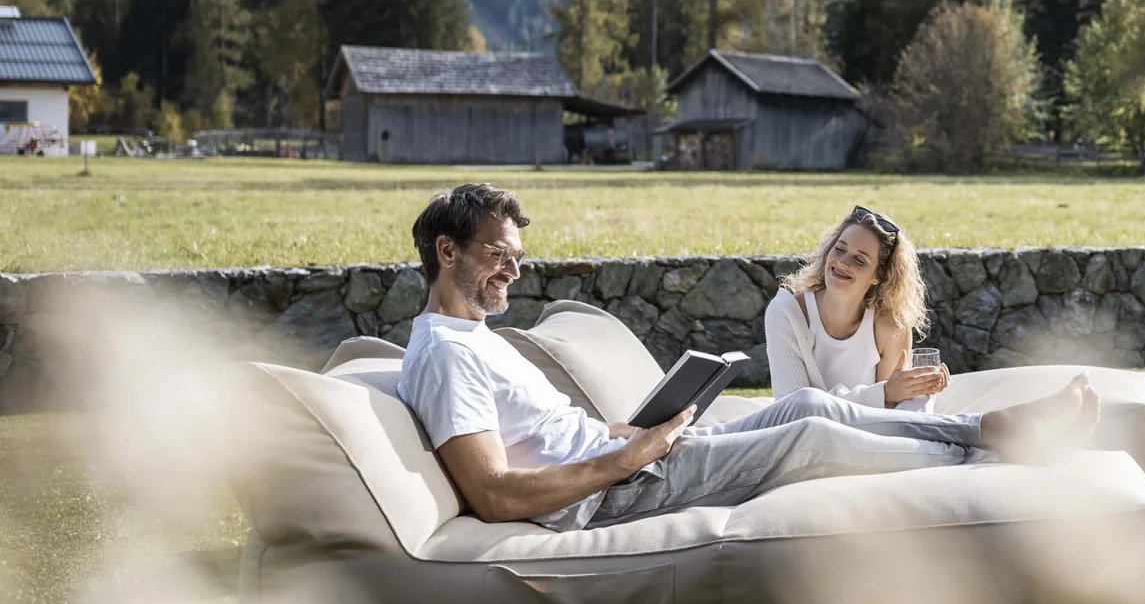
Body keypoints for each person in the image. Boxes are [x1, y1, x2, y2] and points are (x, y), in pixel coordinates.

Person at [396, 183, 1099, 529]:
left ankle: (985, 431)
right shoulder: (444, 355)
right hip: (614, 495)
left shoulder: (474, 339)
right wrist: (627, 459)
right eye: (498, 255)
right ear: (447, 252)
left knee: (804, 405)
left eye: (518, 258)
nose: (514, 272)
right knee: (809, 436)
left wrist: (628, 432)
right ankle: (999, 450)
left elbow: (535, 439)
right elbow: (491, 493)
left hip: (628, 462)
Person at [764, 206, 946, 410]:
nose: (842, 262)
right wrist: (883, 393)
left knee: (921, 403)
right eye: (839, 249)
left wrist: (920, 389)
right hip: (804, 437)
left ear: (879, 276)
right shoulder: (786, 312)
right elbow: (794, 408)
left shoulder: (891, 328)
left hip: (866, 437)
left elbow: (891, 415)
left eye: (860, 260)